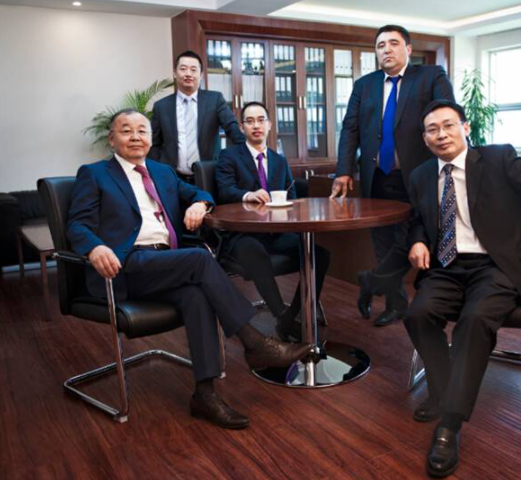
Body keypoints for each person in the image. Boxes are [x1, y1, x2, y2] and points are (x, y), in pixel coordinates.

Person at [67, 109, 312, 430]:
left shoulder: (162, 172)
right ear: (112, 139)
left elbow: (199, 193)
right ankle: (255, 342)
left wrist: (200, 204)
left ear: (151, 138)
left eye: (142, 130)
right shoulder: (95, 173)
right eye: (126, 131)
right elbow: (77, 224)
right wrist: (95, 247)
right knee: (199, 259)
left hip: (164, 265)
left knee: (196, 295)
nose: (135, 137)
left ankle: (205, 395)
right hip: (124, 265)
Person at [404, 100, 521, 478]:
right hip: (447, 267)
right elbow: (418, 216)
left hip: (497, 266)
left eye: (449, 125)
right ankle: (441, 389)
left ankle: (449, 424)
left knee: (475, 320)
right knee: (417, 314)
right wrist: (417, 240)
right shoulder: (420, 175)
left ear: (465, 128)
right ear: (425, 138)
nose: (442, 134)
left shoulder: (499, 160)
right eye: (432, 129)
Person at [330, 24, 455, 327]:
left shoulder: (430, 76)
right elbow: (350, 129)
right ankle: (396, 304)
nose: (386, 49)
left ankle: (372, 281)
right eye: (380, 45)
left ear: (408, 49)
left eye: (393, 43)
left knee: (419, 236)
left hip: (419, 176)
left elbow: (447, 112)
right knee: (383, 242)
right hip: (377, 176)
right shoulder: (364, 85)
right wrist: (344, 170)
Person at [215, 101, 331, 341]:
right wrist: (248, 195)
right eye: (249, 121)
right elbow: (225, 190)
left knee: (320, 254)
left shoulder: (279, 160)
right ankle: (281, 315)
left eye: (261, 120)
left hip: (275, 233)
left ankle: (292, 316)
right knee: (253, 250)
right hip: (243, 235)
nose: (256, 126)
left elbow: (293, 197)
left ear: (269, 125)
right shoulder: (229, 156)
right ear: (242, 128)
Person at [149, 50, 245, 182]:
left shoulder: (215, 100)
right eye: (183, 69)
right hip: (172, 177)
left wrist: (248, 153)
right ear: (175, 73)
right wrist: (159, 168)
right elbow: (154, 143)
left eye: (193, 70)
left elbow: (232, 128)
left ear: (201, 75)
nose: (188, 74)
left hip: (208, 175)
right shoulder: (161, 106)